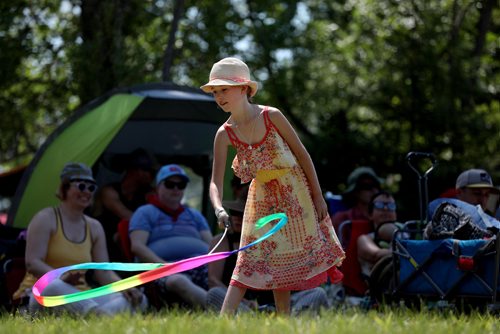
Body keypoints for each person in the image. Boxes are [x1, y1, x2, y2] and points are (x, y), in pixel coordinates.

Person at [202, 57, 344, 315]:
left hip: (295, 194)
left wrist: (318, 196)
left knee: (284, 264)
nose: (219, 96)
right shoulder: (225, 133)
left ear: (244, 88)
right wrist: (218, 208)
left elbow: (303, 155)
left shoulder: (271, 116)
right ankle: (222, 322)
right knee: (245, 263)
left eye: (225, 89)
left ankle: (283, 322)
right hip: (262, 200)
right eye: (215, 92)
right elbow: (215, 181)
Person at [13, 162, 147, 316]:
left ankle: (96, 316)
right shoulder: (45, 218)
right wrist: (61, 276)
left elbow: (103, 273)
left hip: (81, 296)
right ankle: (102, 317)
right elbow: (33, 263)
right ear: (65, 188)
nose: (87, 192)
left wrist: (124, 287)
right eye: (81, 186)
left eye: (91, 188)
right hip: (43, 293)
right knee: (52, 287)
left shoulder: (94, 226)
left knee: (138, 298)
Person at [207, 193, 330, 315]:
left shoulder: (273, 243)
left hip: (277, 304)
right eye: (234, 213)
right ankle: (251, 317)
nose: (237, 218)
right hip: (244, 305)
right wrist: (245, 302)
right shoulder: (221, 242)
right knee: (214, 293)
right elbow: (213, 280)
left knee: (318, 293)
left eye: (242, 214)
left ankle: (285, 318)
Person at [129, 164, 213, 308]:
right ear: (157, 187)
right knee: (178, 281)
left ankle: (247, 304)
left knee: (223, 277)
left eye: (181, 185)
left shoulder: (194, 215)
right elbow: (137, 246)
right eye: (170, 184)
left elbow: (213, 246)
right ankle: (226, 310)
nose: (176, 189)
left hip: (199, 266)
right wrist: (166, 266)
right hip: (161, 269)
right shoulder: (145, 212)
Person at [93, 148, 156, 261]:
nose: (151, 176)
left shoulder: (147, 193)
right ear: (136, 171)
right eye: (148, 171)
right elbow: (127, 216)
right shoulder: (110, 191)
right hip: (106, 241)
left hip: (134, 241)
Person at [357, 191, 399, 277]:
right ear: (370, 215)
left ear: (395, 214)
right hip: (382, 287)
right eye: (379, 205)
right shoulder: (364, 239)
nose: (386, 209)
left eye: (391, 206)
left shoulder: (408, 232)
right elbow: (376, 255)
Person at [331, 167, 383, 233]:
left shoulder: (383, 217)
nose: (374, 190)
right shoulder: (342, 219)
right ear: (355, 191)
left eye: (376, 185)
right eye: (367, 186)